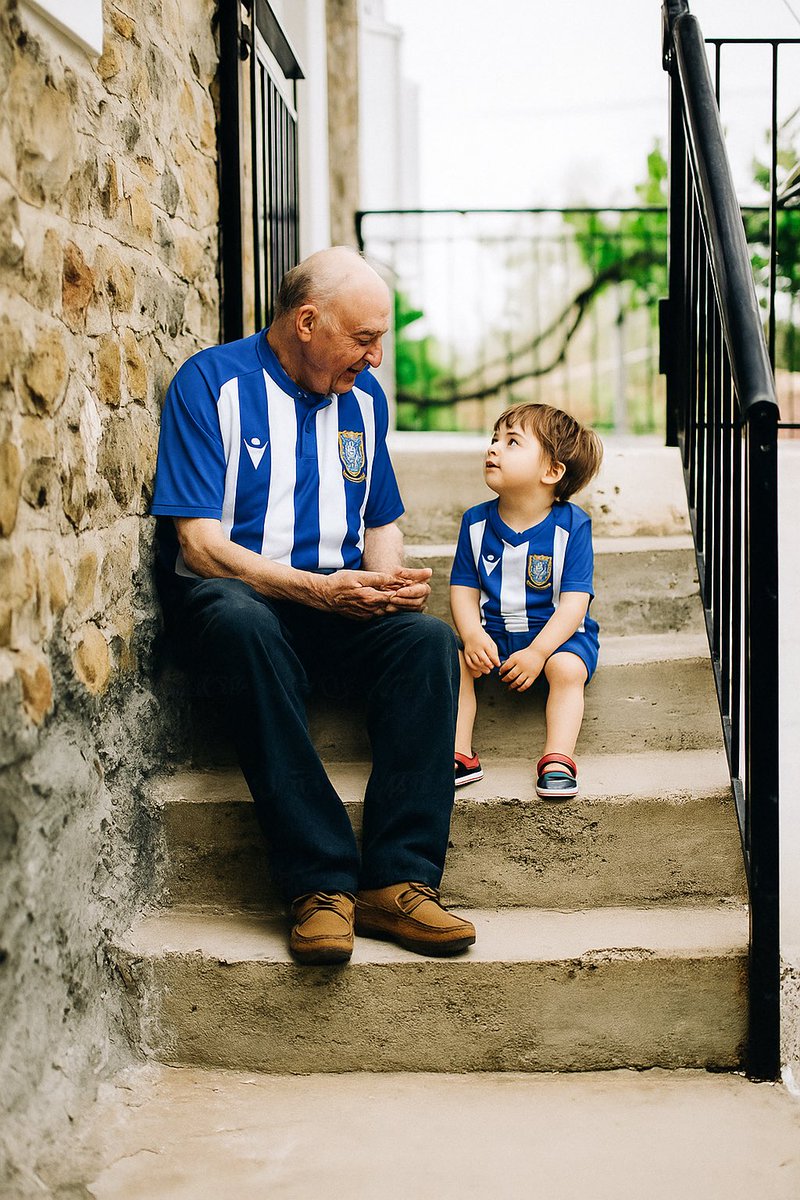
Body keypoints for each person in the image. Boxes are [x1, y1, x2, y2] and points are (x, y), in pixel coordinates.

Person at [151, 246, 475, 965]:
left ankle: (398, 881)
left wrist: (384, 587)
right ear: (307, 322)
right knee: (239, 621)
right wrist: (315, 589)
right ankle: (320, 884)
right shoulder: (213, 384)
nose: (377, 357)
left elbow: (380, 520)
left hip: (331, 605)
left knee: (426, 644)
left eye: (379, 340)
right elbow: (199, 545)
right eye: (364, 339)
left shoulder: (365, 401)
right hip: (237, 603)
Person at [449, 402, 603, 800]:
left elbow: (574, 604)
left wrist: (539, 653)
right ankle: (459, 753)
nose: (494, 448)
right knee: (455, 659)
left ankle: (557, 758)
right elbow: (464, 587)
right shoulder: (475, 522)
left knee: (568, 670)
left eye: (512, 441)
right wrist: (471, 634)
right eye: (494, 439)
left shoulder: (572, 525)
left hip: (556, 636)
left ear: (551, 472)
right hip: (495, 632)